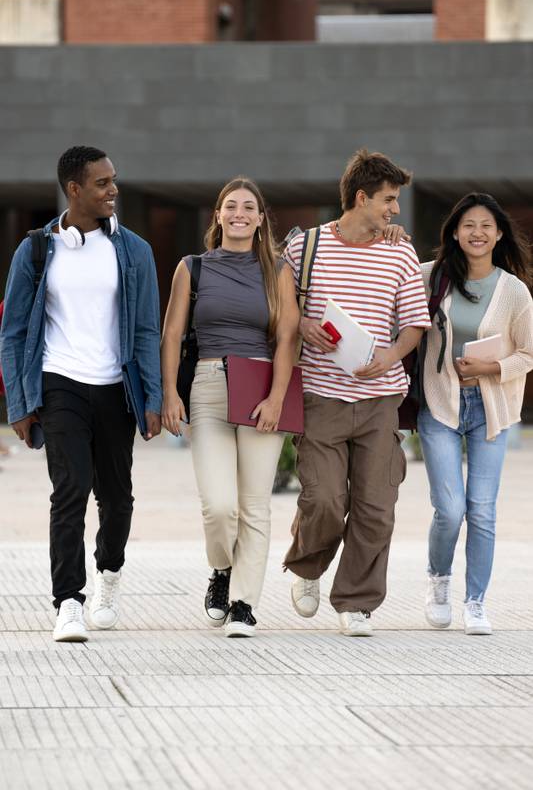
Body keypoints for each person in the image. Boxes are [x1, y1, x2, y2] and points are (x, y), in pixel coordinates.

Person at [0, 146, 162, 642]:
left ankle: (108, 575)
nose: (113, 189)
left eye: (114, 179)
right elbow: (13, 332)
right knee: (69, 492)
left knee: (118, 499)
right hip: (59, 382)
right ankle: (68, 602)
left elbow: (145, 331)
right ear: (74, 189)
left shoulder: (134, 250)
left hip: (116, 387)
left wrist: (153, 397)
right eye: (102, 183)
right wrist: (20, 404)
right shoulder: (36, 249)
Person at [283, 148, 431, 636]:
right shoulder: (304, 248)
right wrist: (303, 324)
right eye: (388, 200)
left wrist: (388, 356)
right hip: (321, 395)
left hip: (380, 400)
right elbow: (278, 309)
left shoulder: (399, 250)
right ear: (361, 197)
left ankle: (356, 602)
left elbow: (413, 324)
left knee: (375, 508)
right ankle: (307, 565)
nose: (394, 211)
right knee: (324, 499)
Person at [161, 177, 299, 637]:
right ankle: (221, 570)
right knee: (220, 506)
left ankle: (243, 604)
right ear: (217, 215)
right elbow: (172, 335)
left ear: (261, 219)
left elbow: (287, 339)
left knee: (255, 505)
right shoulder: (192, 268)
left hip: (261, 387)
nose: (239, 213)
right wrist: (169, 393)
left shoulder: (278, 270)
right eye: (230, 206)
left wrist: (278, 397)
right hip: (208, 383)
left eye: (249, 207)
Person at [419, 193, 533, 636]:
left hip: (491, 407)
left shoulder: (513, 291)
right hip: (440, 402)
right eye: (468, 225)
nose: (477, 233)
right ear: (454, 232)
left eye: (486, 225)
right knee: (449, 509)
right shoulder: (432, 277)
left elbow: (528, 353)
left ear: (499, 233)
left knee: (482, 510)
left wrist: (491, 368)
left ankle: (476, 601)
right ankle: (438, 581)